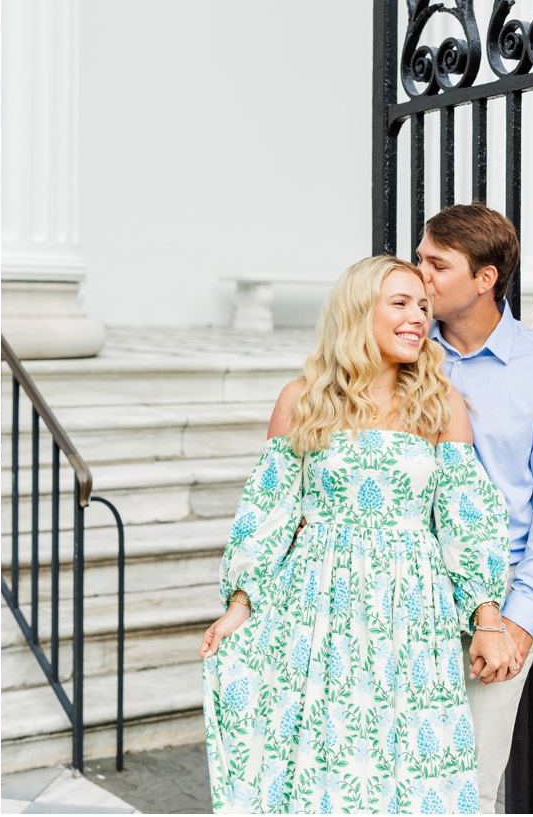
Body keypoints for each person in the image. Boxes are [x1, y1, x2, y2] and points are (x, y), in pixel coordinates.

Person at [202, 255, 515, 814]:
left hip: (413, 611)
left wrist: (487, 618)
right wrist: (241, 604)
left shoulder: (440, 404)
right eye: (400, 303)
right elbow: (268, 511)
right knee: (322, 763)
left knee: (414, 774)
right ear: (357, 312)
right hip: (317, 609)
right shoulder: (302, 400)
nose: (418, 317)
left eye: (422, 305)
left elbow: (468, 519)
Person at [416, 204, 533, 812]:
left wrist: (520, 619)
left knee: (465, 783)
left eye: (437, 264)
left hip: (499, 587)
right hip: (401, 581)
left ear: (485, 278)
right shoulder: (403, 353)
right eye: (420, 260)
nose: (421, 278)